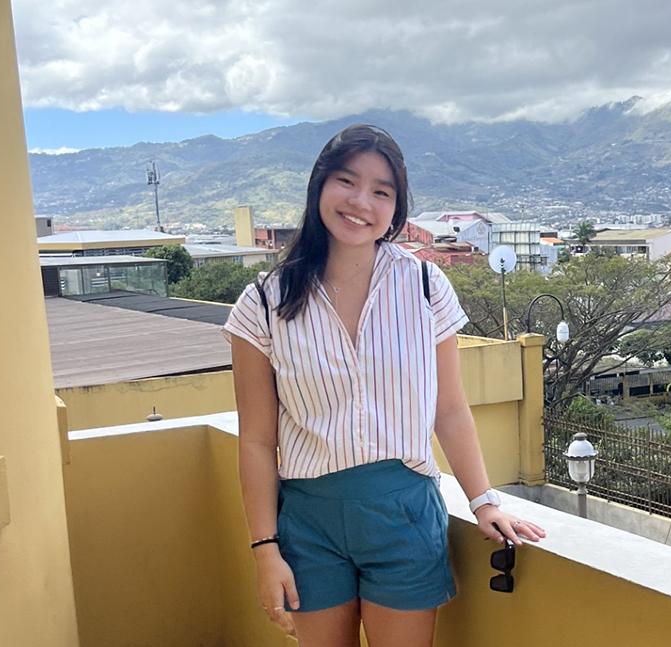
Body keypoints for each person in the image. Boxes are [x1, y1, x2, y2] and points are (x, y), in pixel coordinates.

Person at [224, 124, 545, 646]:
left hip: (405, 514)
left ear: (396, 209)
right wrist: (265, 550)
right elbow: (258, 440)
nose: (360, 202)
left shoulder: (423, 284)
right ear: (319, 187)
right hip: (309, 521)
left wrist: (483, 501)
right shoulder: (264, 302)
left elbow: (450, 409)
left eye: (381, 191)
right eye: (346, 181)